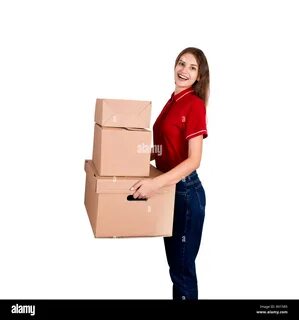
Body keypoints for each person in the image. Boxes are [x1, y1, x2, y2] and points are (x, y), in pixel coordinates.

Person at [130, 47, 209, 300]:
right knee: (175, 269)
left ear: (199, 76)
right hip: (171, 189)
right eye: (181, 63)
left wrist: (156, 184)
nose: (184, 70)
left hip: (186, 193)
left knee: (182, 272)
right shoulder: (173, 100)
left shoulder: (194, 105)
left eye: (192, 67)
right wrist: (130, 153)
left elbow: (194, 159)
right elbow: (164, 146)